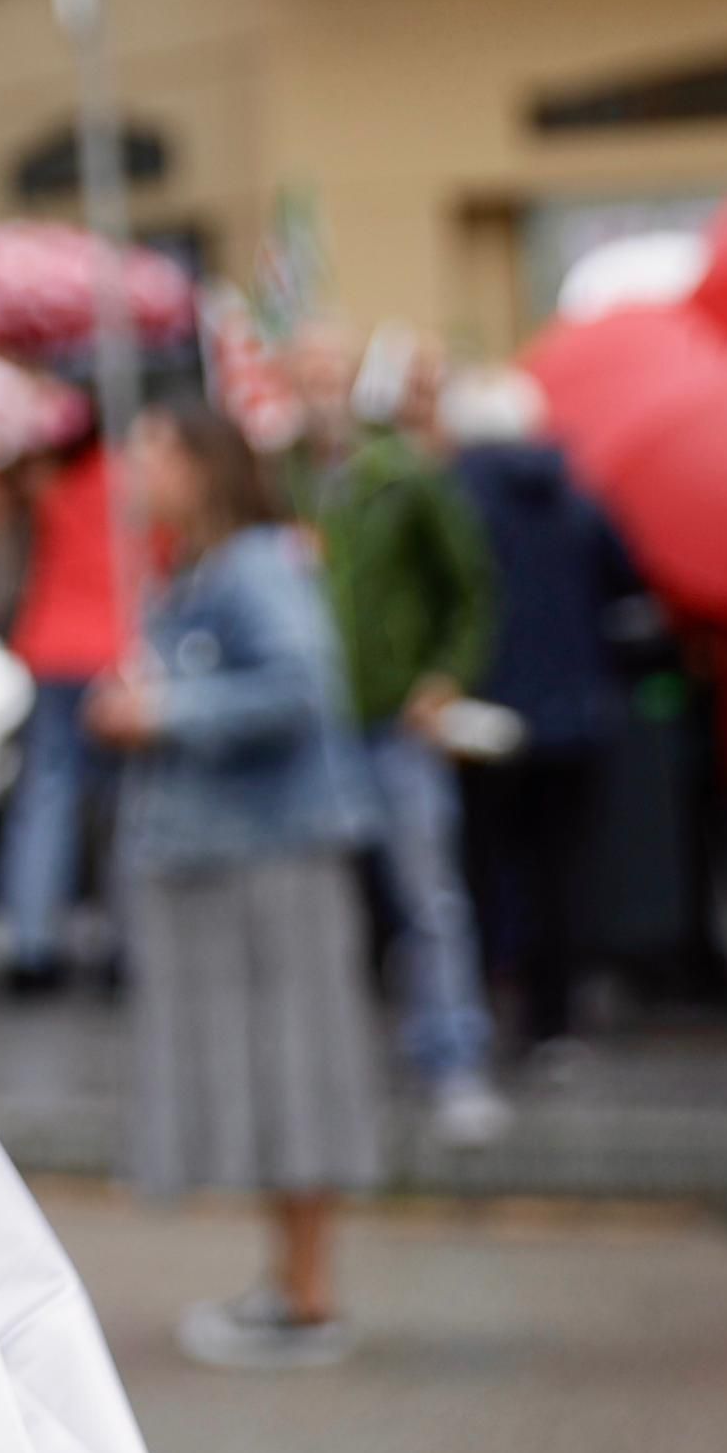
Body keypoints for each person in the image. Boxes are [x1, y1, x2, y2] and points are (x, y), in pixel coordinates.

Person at [95, 399, 383, 1370]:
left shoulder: (252, 565)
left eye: (147, 452)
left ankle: (306, 1301)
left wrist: (165, 711)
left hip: (271, 856)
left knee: (295, 1066)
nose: (131, 477)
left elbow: (299, 687)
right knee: (280, 1069)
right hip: (253, 853)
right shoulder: (222, 567)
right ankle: (293, 1288)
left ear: (196, 463)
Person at [311, 329, 505, 1143]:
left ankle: (454, 1060)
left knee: (428, 899)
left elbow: (471, 587)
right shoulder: (290, 480)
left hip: (392, 722)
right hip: (318, 733)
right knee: (331, 912)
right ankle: (345, 1070)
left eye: (326, 375)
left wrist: (445, 676)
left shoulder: (402, 478)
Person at [441, 367, 638, 1059]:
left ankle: (480, 1010)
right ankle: (552, 1019)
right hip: (574, 713)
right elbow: (625, 581)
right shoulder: (576, 497)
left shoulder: (454, 500)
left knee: (480, 870)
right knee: (559, 872)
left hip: (483, 715)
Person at [0, 413, 129, 992]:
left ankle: (30, 939)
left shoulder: (51, 486)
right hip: (114, 649)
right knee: (123, 805)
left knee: (46, 794)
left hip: (49, 647)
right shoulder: (130, 481)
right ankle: (124, 941)